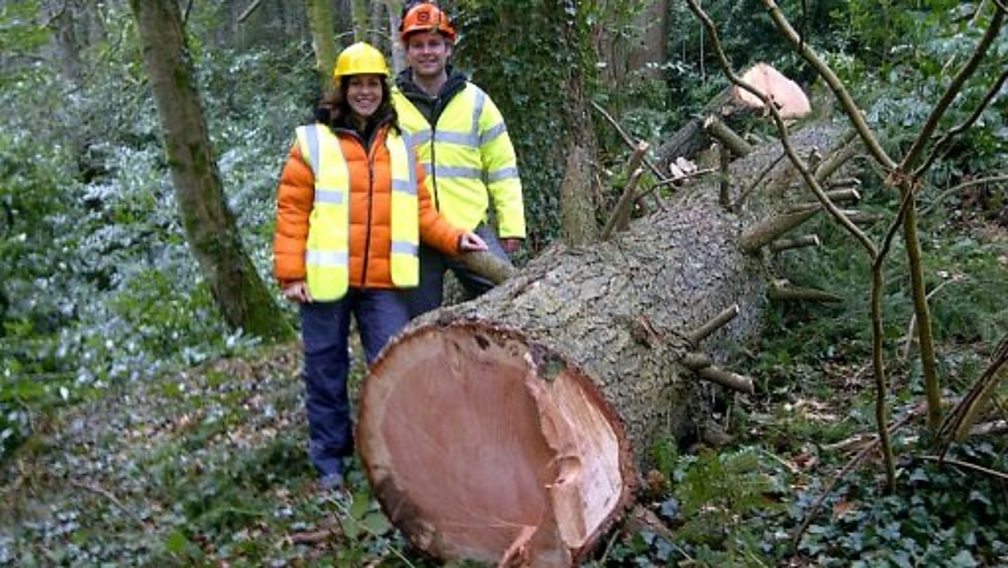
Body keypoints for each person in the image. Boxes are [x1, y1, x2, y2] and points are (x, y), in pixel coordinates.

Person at [273, 41, 487, 491]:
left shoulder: (402, 147)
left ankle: (395, 458)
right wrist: (291, 275)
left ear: (383, 89)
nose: (365, 92)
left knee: (393, 367)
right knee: (325, 369)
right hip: (324, 280)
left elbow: (422, 212)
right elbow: (291, 211)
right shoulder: (312, 142)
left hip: (383, 282)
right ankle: (331, 460)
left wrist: (453, 236)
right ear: (343, 89)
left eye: (372, 84)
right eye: (357, 85)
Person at [392, 1, 526, 317]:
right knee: (415, 326)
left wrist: (511, 226)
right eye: (418, 45)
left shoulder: (477, 102)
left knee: (514, 305)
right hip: (416, 235)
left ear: (448, 48)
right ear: (407, 51)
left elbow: (502, 167)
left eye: (434, 43)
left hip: (471, 230)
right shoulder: (390, 108)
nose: (427, 52)